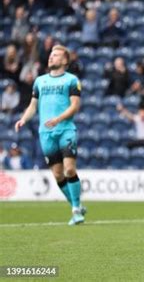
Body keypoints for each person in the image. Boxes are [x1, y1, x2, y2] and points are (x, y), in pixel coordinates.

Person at [14, 45, 86, 226]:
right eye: (51, 55)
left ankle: (76, 210)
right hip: (46, 133)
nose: (51, 58)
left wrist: (59, 119)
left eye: (56, 55)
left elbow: (75, 106)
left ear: (64, 61)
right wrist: (23, 119)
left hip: (65, 130)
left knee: (69, 169)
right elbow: (33, 105)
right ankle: (76, 205)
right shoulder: (40, 81)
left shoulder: (72, 80)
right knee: (58, 174)